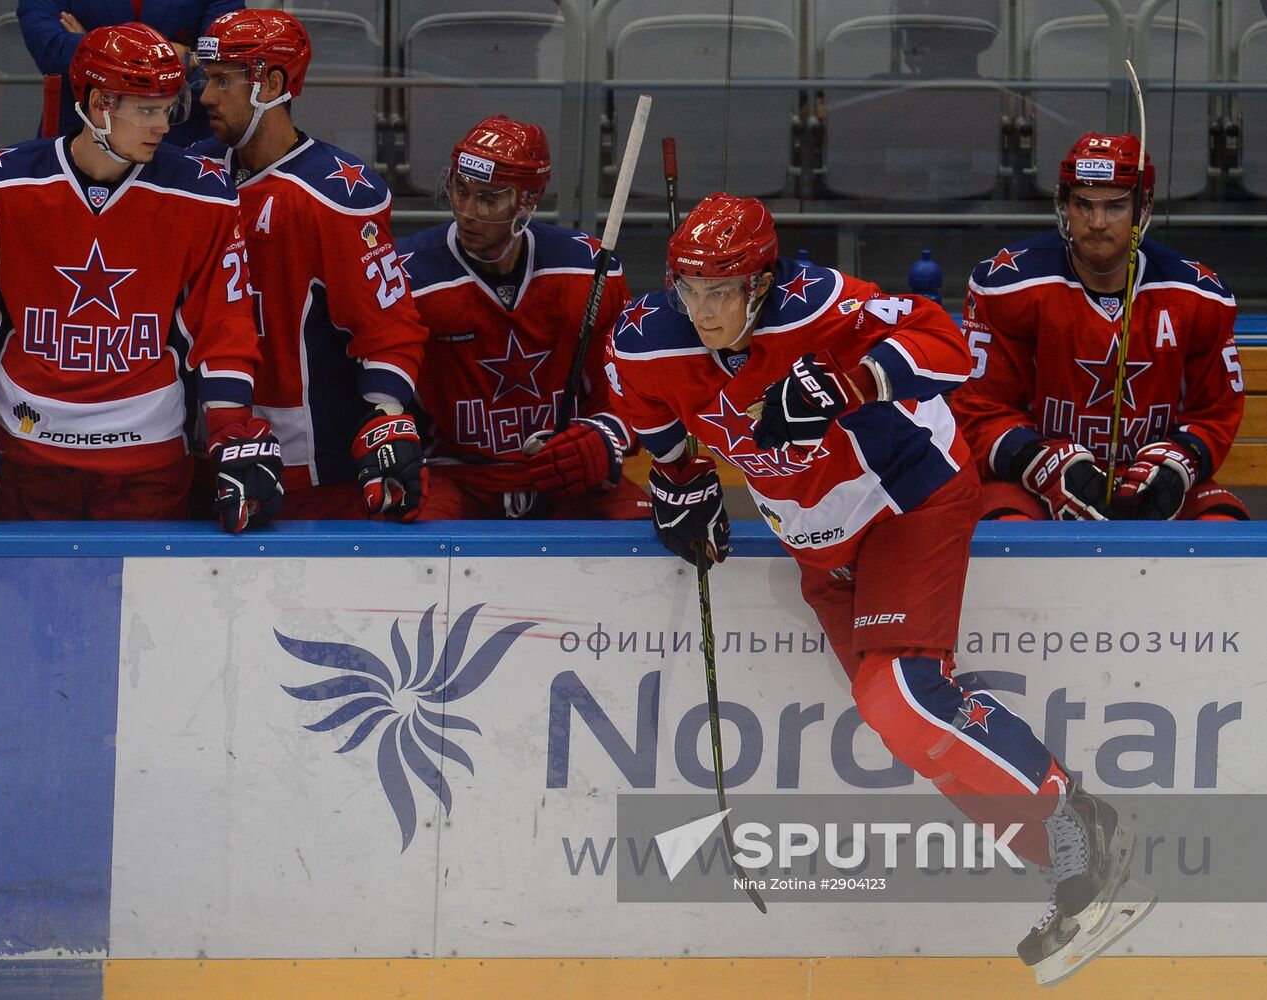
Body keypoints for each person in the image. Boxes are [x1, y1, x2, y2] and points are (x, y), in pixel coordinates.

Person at [606, 192, 1153, 984]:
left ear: (760, 283)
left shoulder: (818, 304)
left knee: (900, 693)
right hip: (816, 540)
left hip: (906, 495)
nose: (702, 310)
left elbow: (946, 346)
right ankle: (1073, 874)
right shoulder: (647, 337)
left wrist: (848, 381)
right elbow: (648, 407)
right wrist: (677, 478)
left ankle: (1078, 817)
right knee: (908, 732)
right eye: (689, 289)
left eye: (721, 291)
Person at [0, 23, 280, 531]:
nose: (163, 127)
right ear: (101, 104)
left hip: (148, 463)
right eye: (147, 111)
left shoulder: (203, 193)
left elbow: (223, 323)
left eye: (169, 110)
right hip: (24, 456)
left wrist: (231, 427)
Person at [191, 9, 431, 520]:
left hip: (303, 471)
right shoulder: (194, 176)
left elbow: (388, 328)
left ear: (272, 85)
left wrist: (386, 414)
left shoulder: (334, 195)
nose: (206, 96)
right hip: (203, 448)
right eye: (207, 79)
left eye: (223, 81)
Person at [951, 132, 1246, 522]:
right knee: (1005, 528)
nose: (1097, 223)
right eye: (1083, 205)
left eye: (1116, 206)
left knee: (1222, 527)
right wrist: (1035, 460)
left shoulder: (1198, 295)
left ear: (1144, 207)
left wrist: (1179, 462)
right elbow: (979, 409)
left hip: (1151, 478)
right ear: (1063, 205)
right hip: (1035, 482)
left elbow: (1215, 410)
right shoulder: (1008, 285)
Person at [395, 114, 648, 520]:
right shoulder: (408, 276)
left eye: (488, 198)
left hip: (566, 474)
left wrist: (604, 438)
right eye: (460, 190)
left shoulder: (588, 270)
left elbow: (629, 391)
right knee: (411, 537)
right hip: (457, 476)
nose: (467, 212)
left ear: (528, 201)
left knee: (638, 529)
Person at [17, 0, 241, 144]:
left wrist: (95, 46)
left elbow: (222, 55)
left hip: (182, 137)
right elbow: (50, 48)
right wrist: (180, 54)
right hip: (82, 136)